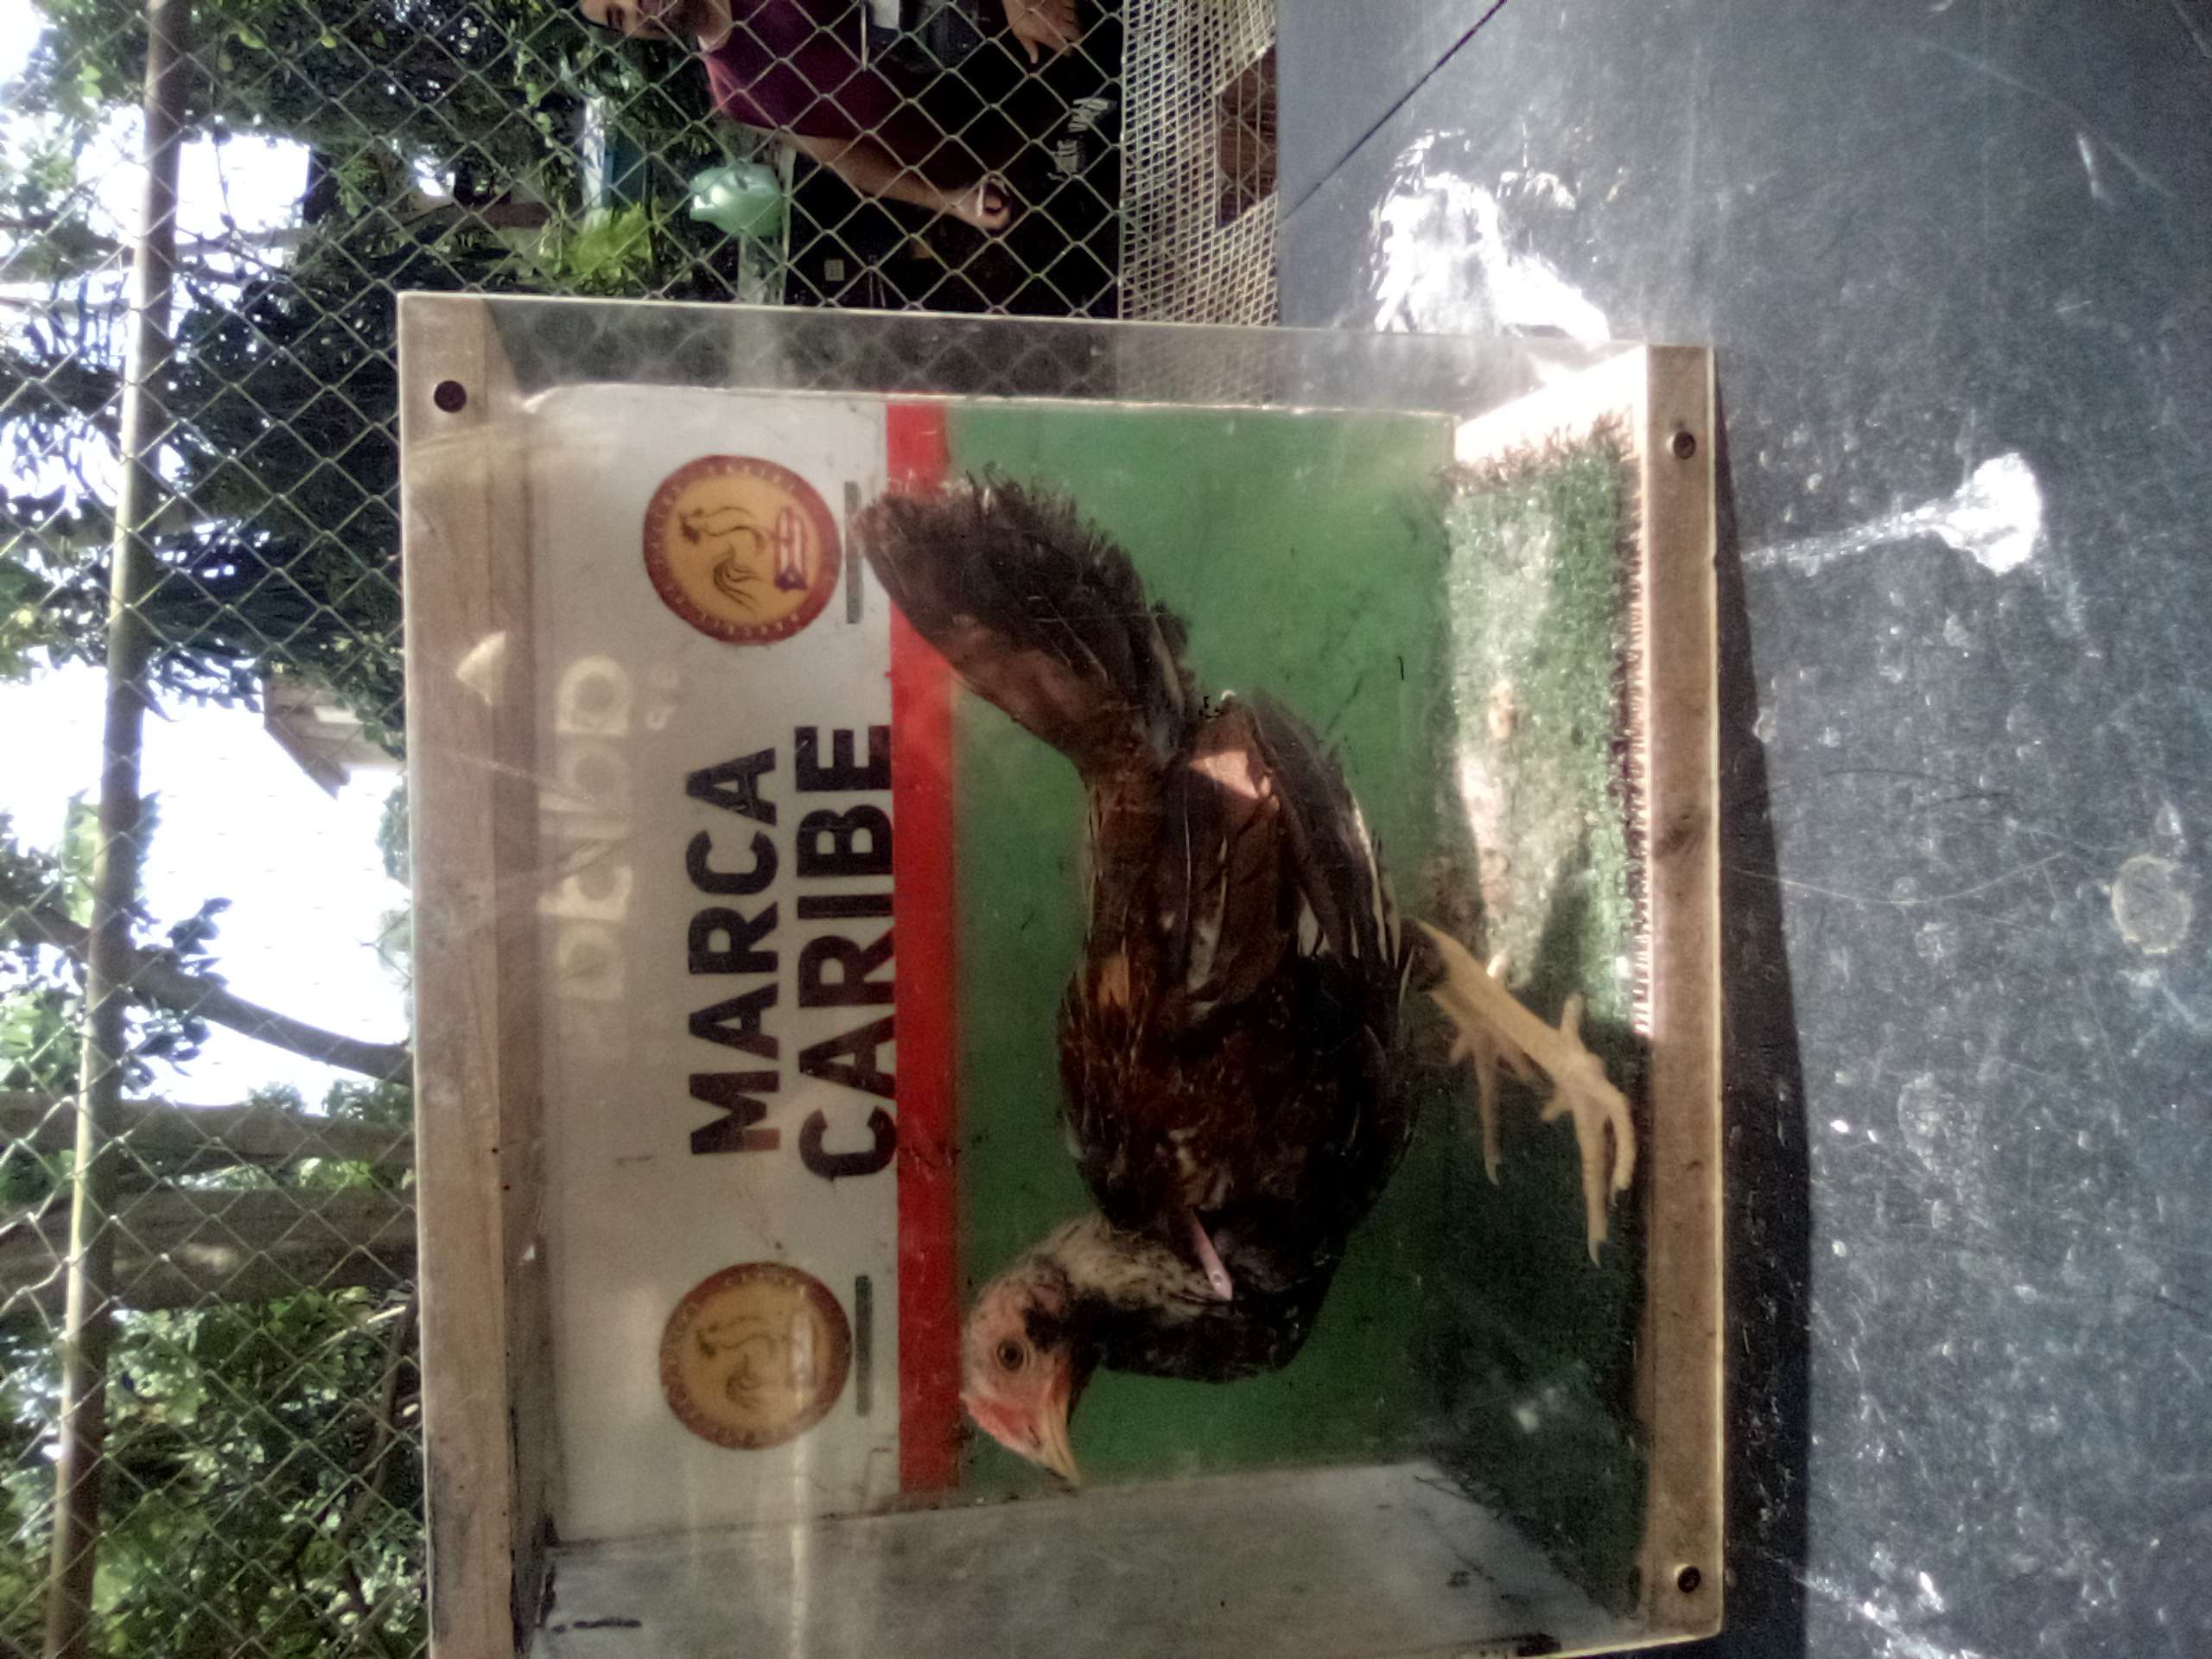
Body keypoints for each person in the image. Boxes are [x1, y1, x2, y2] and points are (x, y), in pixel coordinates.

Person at [577, 0, 1081, 233]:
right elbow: (847, 160)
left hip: (1037, 40)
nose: (633, 6)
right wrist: (950, 201)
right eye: (618, 17)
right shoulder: (735, 96)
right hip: (1016, 153)